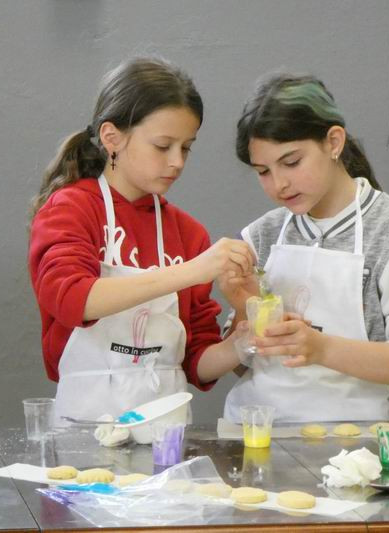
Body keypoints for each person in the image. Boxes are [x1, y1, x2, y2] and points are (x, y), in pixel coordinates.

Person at [28, 57, 254, 422]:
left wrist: (243, 346)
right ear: (112, 138)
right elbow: (71, 298)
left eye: (187, 147)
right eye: (163, 146)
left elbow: (197, 362)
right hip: (83, 432)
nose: (177, 162)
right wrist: (190, 272)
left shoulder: (188, 232)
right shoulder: (71, 209)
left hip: (165, 436)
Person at [221, 73, 389, 423]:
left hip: (350, 448)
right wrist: (245, 309)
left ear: (333, 142)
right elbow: (241, 367)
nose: (279, 184)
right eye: (263, 171)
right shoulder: (263, 234)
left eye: (291, 162)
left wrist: (321, 348)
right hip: (254, 433)